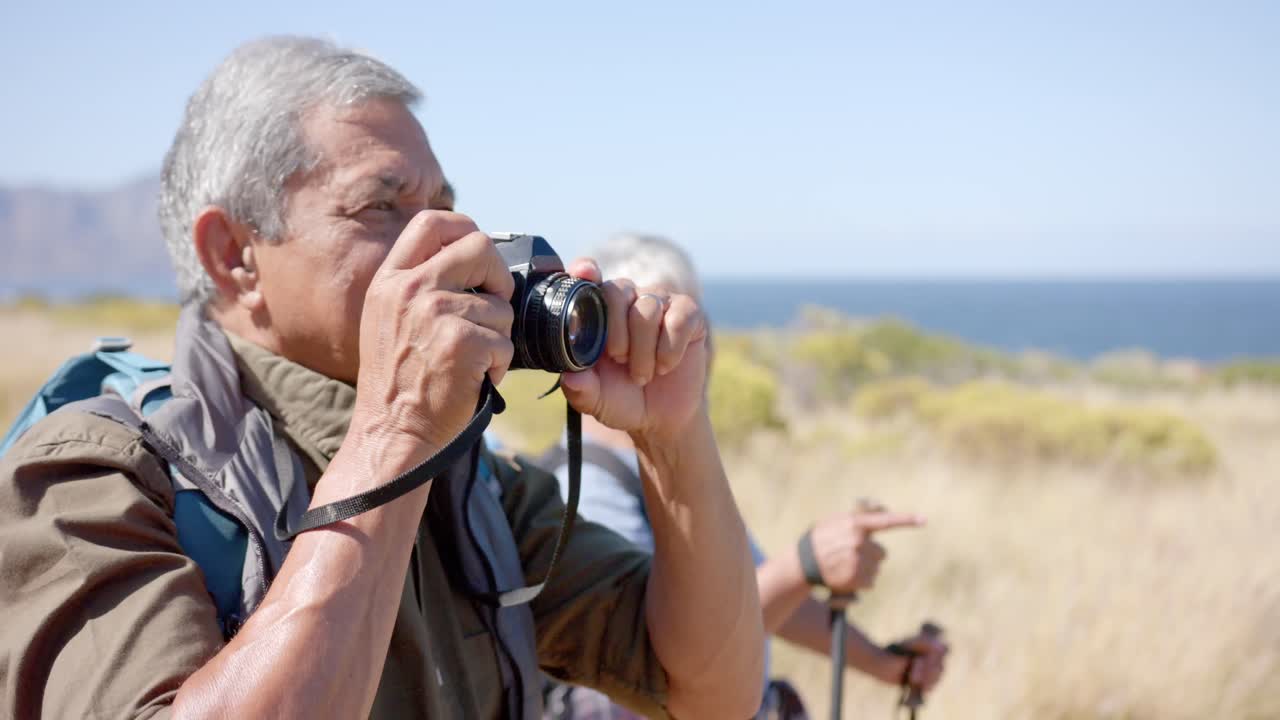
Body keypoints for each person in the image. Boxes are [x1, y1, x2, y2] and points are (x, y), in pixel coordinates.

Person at [0, 38, 765, 719]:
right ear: (234, 254)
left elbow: (708, 694)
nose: (448, 246)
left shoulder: (476, 489)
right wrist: (393, 434)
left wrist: (673, 438)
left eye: (445, 210)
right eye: (382, 207)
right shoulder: (91, 478)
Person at [539, 234, 948, 719]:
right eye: (650, 322)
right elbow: (662, 663)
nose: (685, 341)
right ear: (592, 335)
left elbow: (747, 594)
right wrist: (803, 566)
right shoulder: (582, 491)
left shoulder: (666, 468)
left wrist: (882, 664)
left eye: (690, 319)